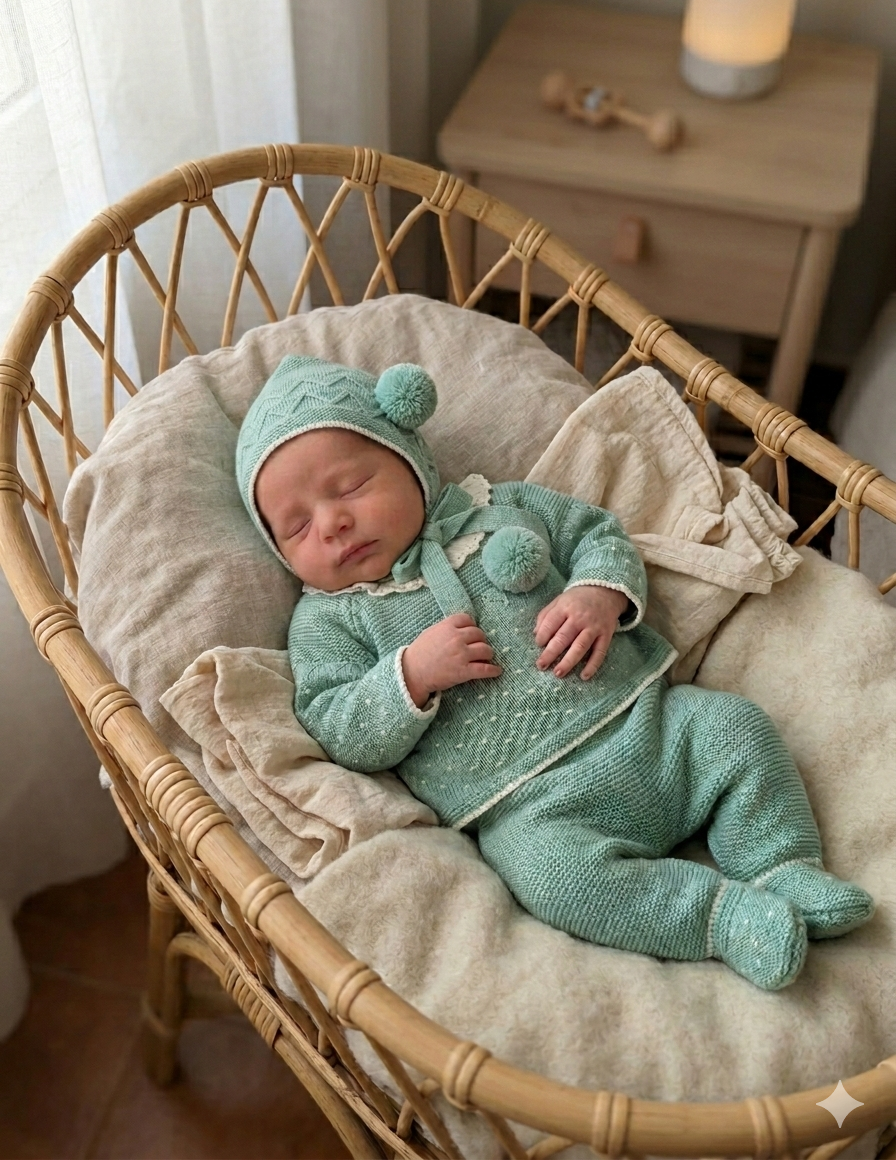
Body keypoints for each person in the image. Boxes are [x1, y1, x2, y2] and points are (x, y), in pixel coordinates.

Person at [235, 355, 874, 990]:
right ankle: (723, 917)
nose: (332, 523)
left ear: (407, 454)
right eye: (296, 526)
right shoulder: (327, 624)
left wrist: (600, 594)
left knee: (735, 727)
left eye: (349, 487)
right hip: (532, 808)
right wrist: (410, 675)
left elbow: (597, 533)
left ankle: (781, 865)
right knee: (554, 880)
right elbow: (335, 726)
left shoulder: (501, 506)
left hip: (649, 728)